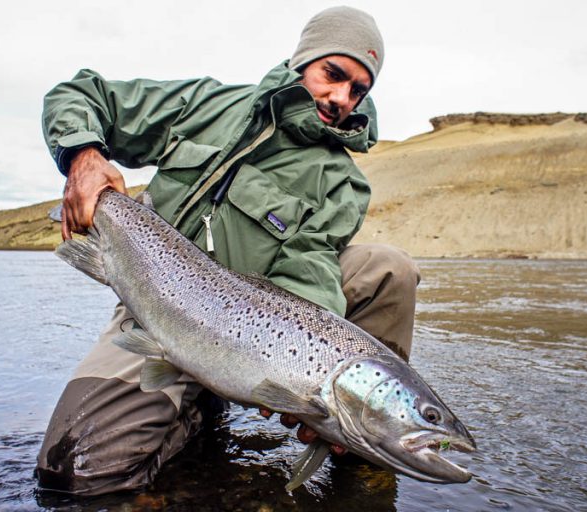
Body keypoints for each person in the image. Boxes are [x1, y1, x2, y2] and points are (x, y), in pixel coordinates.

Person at [36, 6, 420, 495]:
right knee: (74, 475)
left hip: (251, 325)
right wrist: (84, 155)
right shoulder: (208, 105)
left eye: (359, 90)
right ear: (303, 60)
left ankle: (360, 439)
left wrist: (298, 382)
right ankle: (197, 406)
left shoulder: (342, 182)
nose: (341, 98)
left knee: (389, 269)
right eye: (334, 74)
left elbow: (307, 276)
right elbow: (80, 95)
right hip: (152, 308)